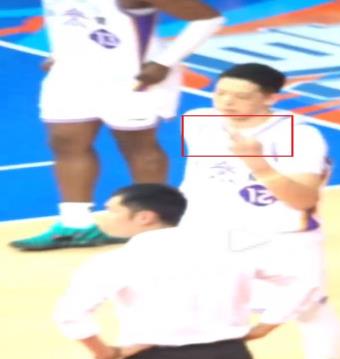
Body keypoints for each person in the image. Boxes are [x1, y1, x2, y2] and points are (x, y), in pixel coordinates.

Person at [54, 183, 303, 359]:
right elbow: (301, 280)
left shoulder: (114, 262)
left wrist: (105, 352)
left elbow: (71, 314)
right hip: (230, 358)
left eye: (113, 210)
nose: (105, 217)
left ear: (145, 217)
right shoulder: (230, 249)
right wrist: (267, 325)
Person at [181, 63, 340, 359]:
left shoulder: (299, 135)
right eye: (221, 92)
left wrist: (259, 165)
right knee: (203, 312)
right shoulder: (199, 120)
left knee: (310, 311)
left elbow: (303, 199)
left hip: (280, 235)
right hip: (211, 235)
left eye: (241, 96)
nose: (227, 102)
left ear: (271, 98)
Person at [10, 0, 224, 250]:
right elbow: (70, 20)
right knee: (65, 142)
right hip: (71, 75)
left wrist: (165, 62)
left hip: (133, 78)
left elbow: (208, 18)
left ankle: (155, 225)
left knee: (138, 147)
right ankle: (76, 224)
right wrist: (61, 53)